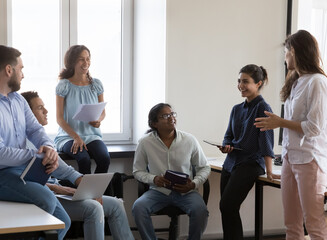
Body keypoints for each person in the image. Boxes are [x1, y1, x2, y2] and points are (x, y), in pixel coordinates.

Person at [21, 90, 135, 240]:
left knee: (115, 204)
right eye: (40, 108)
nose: (46, 111)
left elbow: (66, 172)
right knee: (94, 208)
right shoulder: (20, 144)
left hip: (59, 192)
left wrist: (91, 189)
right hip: (44, 197)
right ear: (27, 113)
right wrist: (62, 189)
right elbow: (22, 182)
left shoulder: (43, 140)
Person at [254, 30, 327, 239]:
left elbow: (314, 127)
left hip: (310, 159)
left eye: (286, 52)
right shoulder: (296, 81)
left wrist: (280, 123)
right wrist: (280, 124)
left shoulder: (318, 82)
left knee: (313, 223)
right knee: (291, 223)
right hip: (291, 158)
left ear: (295, 51)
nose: (284, 57)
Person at [0, 45, 70, 240]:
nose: (23, 74)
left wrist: (49, 149)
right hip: (2, 173)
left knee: (64, 221)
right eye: (21, 68)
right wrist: (37, 155)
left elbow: (36, 130)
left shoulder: (18, 101)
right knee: (46, 199)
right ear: (9, 70)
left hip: (19, 172)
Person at [132, 103, 211, 240]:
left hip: (186, 192)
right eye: (165, 116)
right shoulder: (145, 142)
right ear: (154, 123)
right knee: (138, 208)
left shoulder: (189, 140)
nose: (171, 118)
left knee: (200, 210)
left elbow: (204, 167)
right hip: (158, 191)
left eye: (173, 114)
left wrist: (193, 184)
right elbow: (137, 171)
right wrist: (154, 179)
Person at [218, 64, 279, 240]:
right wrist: (226, 146)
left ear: (258, 83)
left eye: (245, 81)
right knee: (226, 208)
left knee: (228, 205)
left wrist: (269, 170)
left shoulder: (263, 108)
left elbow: (266, 141)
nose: (241, 85)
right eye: (239, 81)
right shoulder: (236, 109)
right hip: (231, 162)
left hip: (251, 163)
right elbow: (228, 136)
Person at [54, 45, 110, 174]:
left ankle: (96, 192)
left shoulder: (96, 84)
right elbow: (59, 119)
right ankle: (83, 194)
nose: (86, 63)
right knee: (84, 160)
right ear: (72, 62)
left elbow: (102, 112)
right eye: (81, 59)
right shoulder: (64, 85)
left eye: (88, 59)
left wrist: (98, 120)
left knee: (104, 158)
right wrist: (76, 137)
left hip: (92, 135)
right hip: (68, 137)